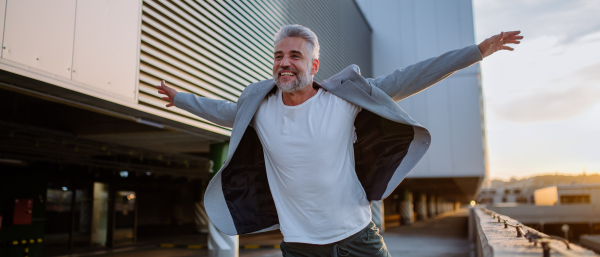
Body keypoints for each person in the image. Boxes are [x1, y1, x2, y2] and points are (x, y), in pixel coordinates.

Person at [157, 24, 522, 256]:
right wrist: (180, 99)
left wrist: (476, 52)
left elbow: (410, 76)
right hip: (300, 247)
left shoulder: (344, 99)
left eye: (295, 56)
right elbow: (219, 110)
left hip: (356, 237)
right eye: (279, 55)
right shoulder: (260, 108)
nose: (284, 62)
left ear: (314, 66)